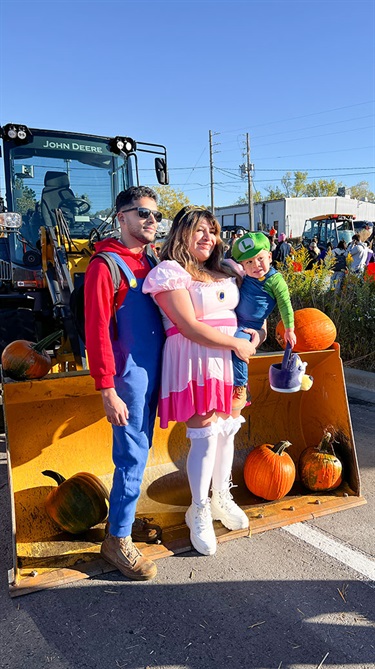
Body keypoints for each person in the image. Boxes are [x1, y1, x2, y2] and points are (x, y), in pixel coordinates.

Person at [143, 206, 256, 556]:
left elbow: (242, 312)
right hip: (194, 359)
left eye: (213, 231)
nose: (208, 237)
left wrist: (254, 334)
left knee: (226, 431)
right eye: (200, 230)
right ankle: (199, 509)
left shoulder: (219, 270)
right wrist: (236, 343)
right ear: (181, 233)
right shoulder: (170, 272)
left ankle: (221, 496)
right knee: (205, 437)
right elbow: (189, 325)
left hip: (229, 361)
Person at [84, 186, 166, 581]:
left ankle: (125, 519)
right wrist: (107, 388)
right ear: (122, 218)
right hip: (129, 378)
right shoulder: (106, 266)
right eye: (143, 214)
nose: (152, 221)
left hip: (159, 370)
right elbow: (97, 331)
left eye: (155, 215)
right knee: (132, 455)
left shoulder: (153, 260)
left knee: (143, 450)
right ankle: (116, 540)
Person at [229, 232, 296, 410]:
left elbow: (285, 305)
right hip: (234, 320)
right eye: (249, 262)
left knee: (238, 348)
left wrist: (289, 329)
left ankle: (241, 387)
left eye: (260, 259)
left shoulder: (275, 280)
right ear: (243, 265)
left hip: (249, 327)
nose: (256, 265)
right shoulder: (244, 277)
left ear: (269, 256)